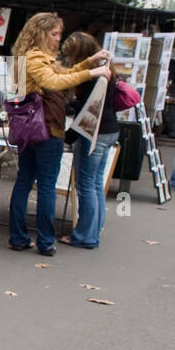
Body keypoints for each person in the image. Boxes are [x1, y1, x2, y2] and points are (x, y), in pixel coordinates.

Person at [7, 13, 111, 255]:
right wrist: (92, 73)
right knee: (44, 185)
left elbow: (61, 74)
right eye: (54, 34)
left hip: (30, 129)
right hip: (45, 129)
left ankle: (20, 238)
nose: (57, 39)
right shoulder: (34, 58)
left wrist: (88, 63)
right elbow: (54, 81)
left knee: (25, 181)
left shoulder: (31, 57)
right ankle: (44, 242)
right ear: (41, 33)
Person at [60, 32, 120, 249]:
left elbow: (86, 114)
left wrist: (67, 137)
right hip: (109, 130)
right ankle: (93, 230)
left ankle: (85, 235)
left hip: (93, 133)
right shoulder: (107, 70)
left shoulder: (92, 75)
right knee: (95, 184)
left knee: (85, 185)